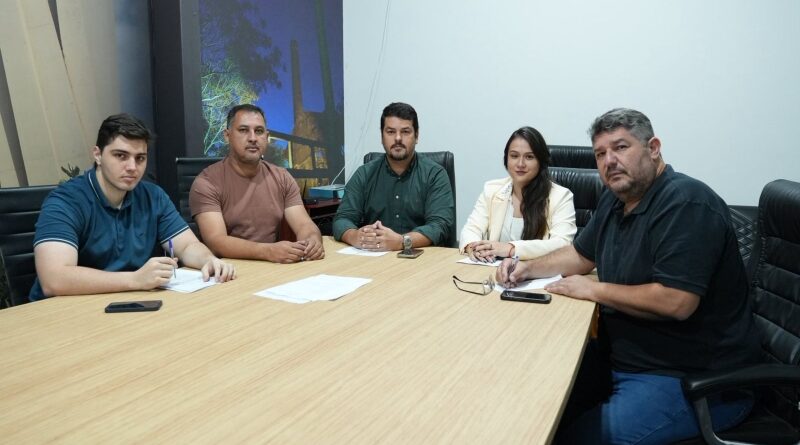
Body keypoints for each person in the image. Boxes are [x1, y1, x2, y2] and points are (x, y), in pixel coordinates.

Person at [497, 108, 757, 444]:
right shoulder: (616, 198)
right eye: (600, 153)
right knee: (528, 403)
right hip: (624, 360)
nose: (609, 161)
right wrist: (526, 267)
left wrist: (595, 290)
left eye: (620, 147)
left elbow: (676, 301)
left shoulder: (686, 203)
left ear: (653, 148)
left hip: (693, 380)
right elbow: (580, 255)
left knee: (570, 439)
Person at [30, 114, 235, 301]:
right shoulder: (65, 202)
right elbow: (54, 279)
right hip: (65, 313)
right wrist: (135, 280)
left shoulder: (153, 196)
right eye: (121, 156)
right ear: (98, 155)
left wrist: (208, 260)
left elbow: (187, 246)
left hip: (130, 304)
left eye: (140, 158)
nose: (132, 167)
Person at [190, 104, 324, 263]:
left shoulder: (282, 177)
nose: (253, 138)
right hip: (226, 269)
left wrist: (312, 240)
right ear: (227, 136)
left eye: (259, 131)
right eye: (243, 130)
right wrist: (268, 251)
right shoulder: (206, 182)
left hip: (271, 267)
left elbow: (304, 224)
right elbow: (216, 241)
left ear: (266, 137)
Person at [333, 102, 454, 251]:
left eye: (405, 132)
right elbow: (342, 219)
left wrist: (402, 241)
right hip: (374, 256)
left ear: (416, 136)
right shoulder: (364, 174)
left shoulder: (435, 174)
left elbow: (440, 225)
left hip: (421, 257)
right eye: (390, 132)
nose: (397, 138)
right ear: (382, 136)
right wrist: (355, 236)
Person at [459, 126, 576, 262]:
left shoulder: (561, 197)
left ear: (541, 161)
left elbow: (562, 244)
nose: (520, 164)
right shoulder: (492, 190)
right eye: (514, 156)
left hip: (538, 272)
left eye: (529, 157)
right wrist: (473, 247)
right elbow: (471, 229)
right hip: (494, 270)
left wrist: (511, 249)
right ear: (506, 159)